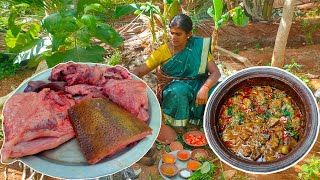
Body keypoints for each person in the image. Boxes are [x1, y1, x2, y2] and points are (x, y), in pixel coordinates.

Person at [133, 14, 221, 127]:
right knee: (179, 91)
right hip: (173, 87)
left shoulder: (198, 47)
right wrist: (127, 81)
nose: (173, 37)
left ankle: (211, 122)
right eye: (172, 33)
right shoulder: (163, 51)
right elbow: (140, 71)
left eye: (178, 34)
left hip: (197, 83)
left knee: (219, 89)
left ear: (189, 34)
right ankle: (177, 127)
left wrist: (205, 88)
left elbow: (216, 72)